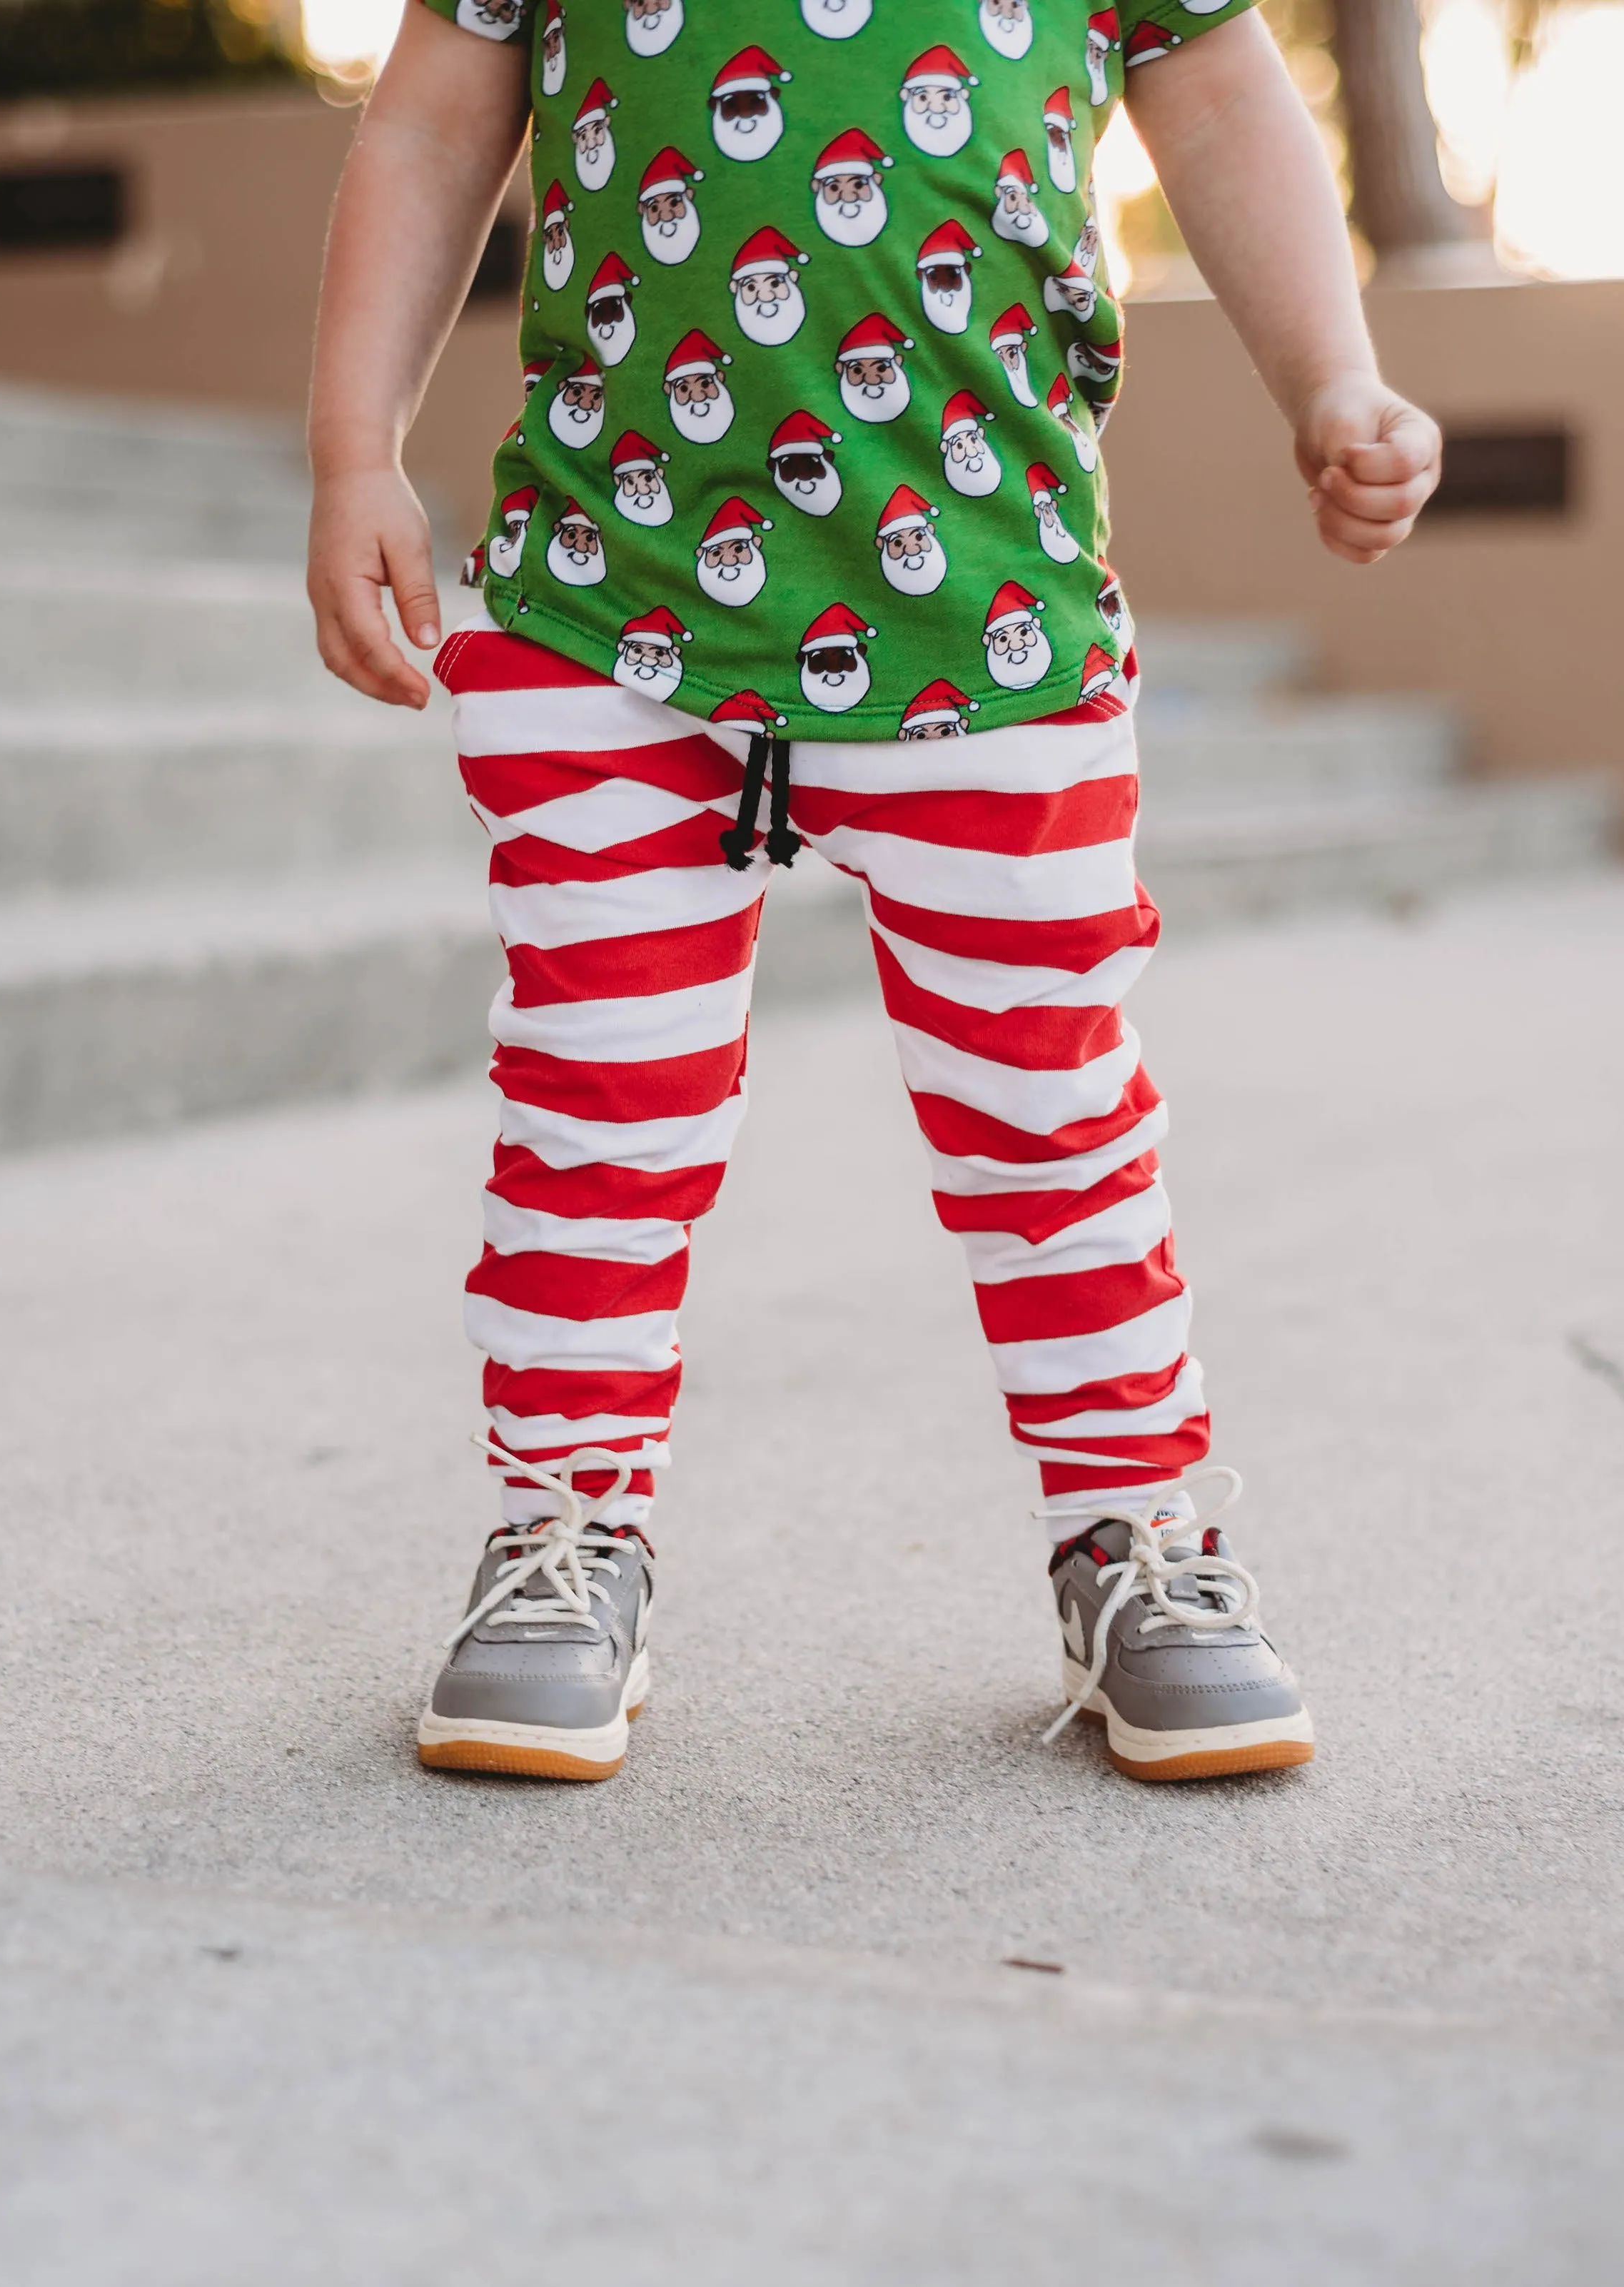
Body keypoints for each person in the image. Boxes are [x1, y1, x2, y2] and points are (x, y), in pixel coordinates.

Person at [304, 0, 1439, 1786]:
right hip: (608, 596)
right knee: (602, 1100)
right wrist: (353, 444)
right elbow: (441, 119)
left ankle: (1136, 1533)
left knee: (1047, 1110)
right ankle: (565, 1524)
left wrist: (1335, 374)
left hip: (986, 601)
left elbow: (1216, 87)